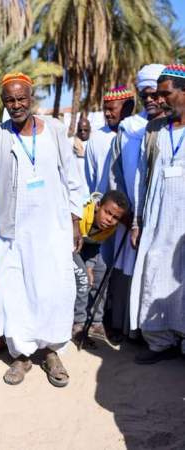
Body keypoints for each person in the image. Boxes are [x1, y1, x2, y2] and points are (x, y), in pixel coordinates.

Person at [0, 73, 83, 387]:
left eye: (21, 98)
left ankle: (51, 351)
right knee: (15, 292)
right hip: (13, 233)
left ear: (31, 98)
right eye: (10, 100)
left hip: (54, 229)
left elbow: (72, 176)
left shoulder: (55, 130)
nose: (16, 105)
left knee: (54, 289)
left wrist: (76, 220)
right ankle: (21, 355)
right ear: (3, 103)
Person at [130, 64, 185, 364]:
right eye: (158, 94)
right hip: (157, 218)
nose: (159, 100)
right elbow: (141, 177)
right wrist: (137, 221)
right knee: (154, 269)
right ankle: (160, 341)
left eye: (166, 94)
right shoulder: (156, 130)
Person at [107, 64, 165, 337]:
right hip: (131, 218)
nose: (150, 100)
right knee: (129, 271)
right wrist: (126, 216)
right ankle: (131, 330)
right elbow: (115, 174)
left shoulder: (174, 127)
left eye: (155, 94)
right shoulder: (129, 128)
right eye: (145, 96)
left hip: (164, 218)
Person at [72, 190, 129, 342]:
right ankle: (78, 323)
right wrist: (86, 269)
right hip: (67, 246)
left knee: (101, 270)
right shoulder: (83, 213)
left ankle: (95, 321)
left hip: (86, 247)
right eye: (107, 212)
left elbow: (94, 245)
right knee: (83, 278)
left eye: (115, 217)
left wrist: (90, 266)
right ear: (98, 206)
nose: (109, 219)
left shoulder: (110, 227)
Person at [85, 86, 135, 195]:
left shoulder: (138, 134)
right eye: (105, 109)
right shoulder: (96, 138)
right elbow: (90, 178)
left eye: (111, 109)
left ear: (127, 108)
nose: (107, 113)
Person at [72, 116, 91, 201]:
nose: (83, 132)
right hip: (78, 192)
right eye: (80, 130)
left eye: (85, 130)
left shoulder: (93, 145)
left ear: (90, 129)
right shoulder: (71, 144)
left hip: (92, 190)